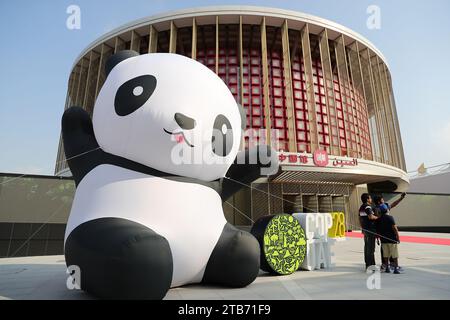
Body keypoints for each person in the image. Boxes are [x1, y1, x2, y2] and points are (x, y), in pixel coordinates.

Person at [373, 193, 406, 271]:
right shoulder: (376, 209)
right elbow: (376, 221)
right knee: (385, 249)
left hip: (387, 230)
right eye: (382, 199)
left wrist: (401, 198)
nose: (383, 200)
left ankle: (390, 264)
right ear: (378, 202)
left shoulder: (385, 206)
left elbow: (393, 204)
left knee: (387, 248)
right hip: (383, 231)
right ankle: (385, 264)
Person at [376, 209, 402, 274]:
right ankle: (396, 268)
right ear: (387, 212)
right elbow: (395, 228)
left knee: (385, 254)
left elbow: (377, 230)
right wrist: (398, 237)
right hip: (392, 239)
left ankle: (387, 268)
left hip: (383, 240)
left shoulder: (378, 219)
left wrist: (377, 239)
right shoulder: (390, 218)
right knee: (394, 254)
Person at [359, 193, 378, 270]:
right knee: (371, 248)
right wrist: (378, 218)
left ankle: (367, 264)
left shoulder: (361, 207)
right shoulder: (367, 207)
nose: (371, 200)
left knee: (367, 247)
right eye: (370, 198)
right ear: (367, 199)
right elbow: (371, 216)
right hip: (370, 230)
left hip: (365, 229)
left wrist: (362, 227)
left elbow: (360, 219)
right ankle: (371, 266)